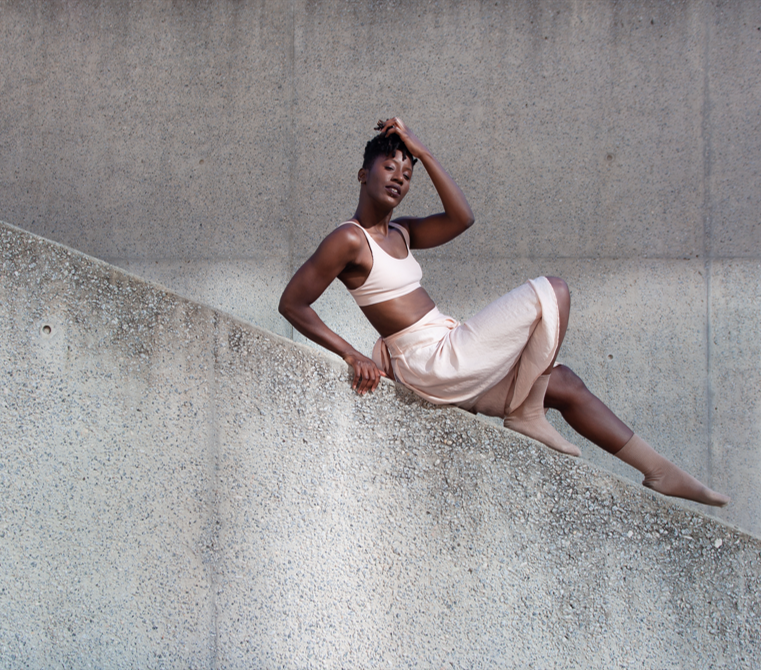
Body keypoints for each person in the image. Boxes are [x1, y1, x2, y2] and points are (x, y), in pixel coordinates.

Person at [279, 117, 729, 507]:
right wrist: (351, 353)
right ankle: (527, 412)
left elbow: (462, 218)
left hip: (448, 351)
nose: (399, 177)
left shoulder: (403, 231)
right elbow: (293, 303)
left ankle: (659, 471)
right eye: (389, 166)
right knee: (553, 290)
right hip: (431, 361)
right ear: (363, 174)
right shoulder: (349, 238)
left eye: (408, 172)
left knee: (565, 382)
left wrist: (425, 152)